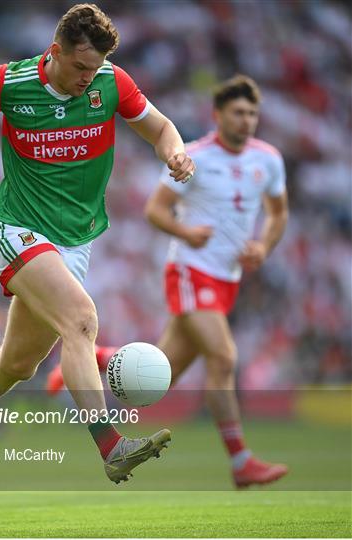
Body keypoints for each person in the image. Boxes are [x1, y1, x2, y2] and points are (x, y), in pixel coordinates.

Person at [0, 3, 195, 487]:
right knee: (82, 320)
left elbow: (160, 127)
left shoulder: (110, 83)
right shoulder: (9, 83)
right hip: (19, 230)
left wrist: (174, 152)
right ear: (54, 51)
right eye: (79, 67)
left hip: (75, 241)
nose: (87, 78)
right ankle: (111, 446)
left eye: (94, 68)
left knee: (18, 364)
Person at [47, 75, 289, 488]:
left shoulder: (267, 160)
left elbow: (278, 213)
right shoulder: (193, 157)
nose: (246, 120)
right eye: (238, 112)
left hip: (227, 278)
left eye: (252, 113)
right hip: (191, 270)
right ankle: (241, 461)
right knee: (225, 357)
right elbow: (155, 210)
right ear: (218, 115)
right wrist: (186, 233)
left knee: (160, 376)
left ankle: (98, 357)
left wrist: (263, 246)